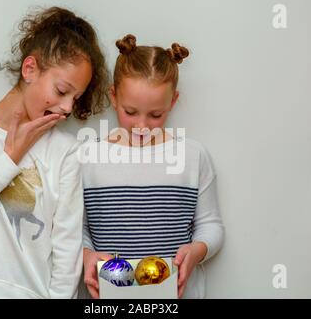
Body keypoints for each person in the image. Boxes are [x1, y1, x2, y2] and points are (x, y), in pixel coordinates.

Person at [0, 6, 109, 298]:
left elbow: (66, 246)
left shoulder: (65, 150)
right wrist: (9, 158)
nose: (67, 108)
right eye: (62, 91)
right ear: (30, 69)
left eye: (75, 98)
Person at [80, 34, 224, 299]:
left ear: (172, 101)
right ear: (113, 96)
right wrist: (86, 255)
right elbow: (77, 228)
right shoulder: (88, 157)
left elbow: (211, 225)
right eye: (130, 112)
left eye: (156, 115)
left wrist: (196, 251)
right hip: (109, 297)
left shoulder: (192, 156)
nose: (142, 126)